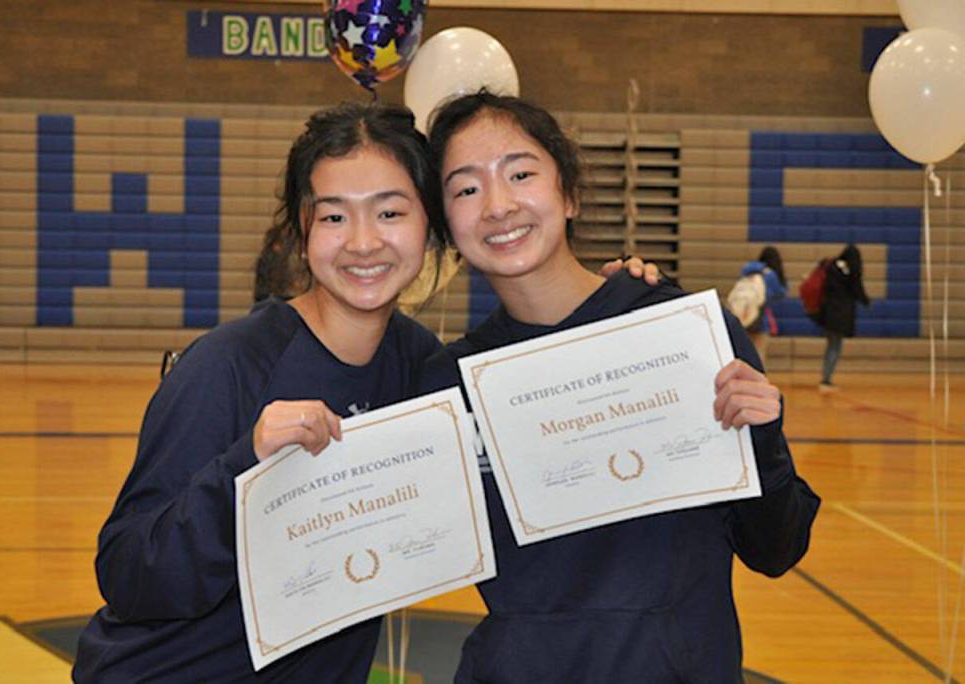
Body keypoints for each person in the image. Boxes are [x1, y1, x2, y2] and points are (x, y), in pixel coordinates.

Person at [416, 91, 820, 683]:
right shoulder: (446, 384)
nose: (498, 205)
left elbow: (776, 550)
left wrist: (763, 441)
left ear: (570, 193)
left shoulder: (683, 336)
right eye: (466, 189)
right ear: (447, 225)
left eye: (521, 174)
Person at [73, 102, 452, 683]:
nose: (363, 241)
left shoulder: (419, 364)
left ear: (429, 225)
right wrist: (243, 472)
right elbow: (128, 571)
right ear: (301, 231)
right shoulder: (227, 365)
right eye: (333, 217)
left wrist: (619, 299)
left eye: (390, 212)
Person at [817, 243, 870, 392]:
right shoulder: (852, 271)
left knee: (830, 346)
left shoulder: (831, 266)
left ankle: (826, 378)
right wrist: (866, 301)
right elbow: (858, 290)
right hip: (841, 315)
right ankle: (826, 380)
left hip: (827, 314)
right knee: (835, 347)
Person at [739, 245, 787, 363]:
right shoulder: (770, 275)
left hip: (744, 315)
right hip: (762, 318)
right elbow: (779, 293)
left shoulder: (748, 271)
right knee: (759, 354)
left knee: (744, 354)